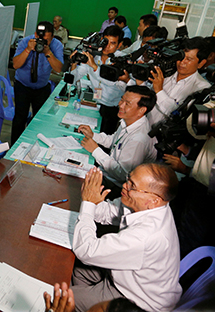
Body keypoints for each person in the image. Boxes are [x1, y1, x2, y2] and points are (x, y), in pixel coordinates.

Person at [71, 164, 181, 312]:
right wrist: (91, 201)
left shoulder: (147, 235)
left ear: (154, 200)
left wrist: (89, 204)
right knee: (78, 268)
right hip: (125, 278)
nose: (124, 185)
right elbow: (108, 212)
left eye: (132, 186)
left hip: (135, 300)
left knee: (63, 297)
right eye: (128, 178)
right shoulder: (147, 204)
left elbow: (86, 250)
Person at [78, 86, 157, 196]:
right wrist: (93, 135)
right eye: (122, 99)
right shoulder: (129, 120)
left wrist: (95, 150)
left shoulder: (139, 139)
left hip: (116, 187)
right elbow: (114, 141)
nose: (120, 105)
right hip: (108, 173)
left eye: (127, 103)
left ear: (142, 110)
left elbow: (122, 175)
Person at [11, 21, 64, 143]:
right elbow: (15, 65)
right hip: (22, 86)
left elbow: (58, 69)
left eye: (47, 39)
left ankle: (35, 145)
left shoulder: (56, 45)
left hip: (42, 87)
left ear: (52, 37)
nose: (43, 42)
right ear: (36, 34)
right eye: (41, 38)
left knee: (39, 120)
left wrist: (48, 52)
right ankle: (14, 147)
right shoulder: (26, 41)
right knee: (20, 118)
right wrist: (28, 49)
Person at [70, 25, 125, 134]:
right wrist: (74, 63)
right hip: (95, 103)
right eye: (105, 41)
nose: (107, 46)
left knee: (103, 140)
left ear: (119, 45)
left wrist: (94, 67)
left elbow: (113, 83)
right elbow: (73, 79)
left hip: (112, 108)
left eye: (112, 43)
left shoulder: (121, 60)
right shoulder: (94, 56)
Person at [146, 36, 212, 126]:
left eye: (189, 59)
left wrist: (159, 91)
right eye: (181, 57)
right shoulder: (165, 72)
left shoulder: (202, 88)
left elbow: (178, 115)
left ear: (201, 63)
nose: (182, 62)